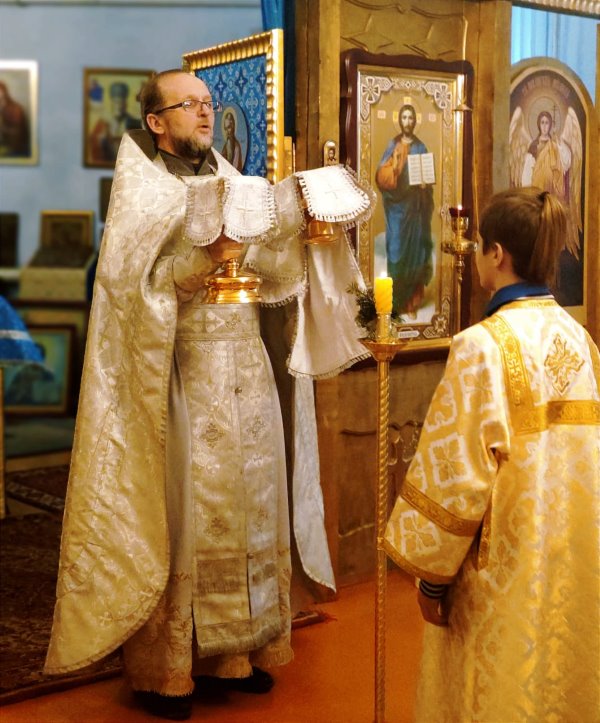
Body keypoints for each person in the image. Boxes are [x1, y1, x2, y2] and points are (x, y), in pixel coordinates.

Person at [44, 69, 370, 721]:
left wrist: (299, 227)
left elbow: (270, 271)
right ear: (156, 122)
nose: (203, 112)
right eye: (188, 104)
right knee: (190, 517)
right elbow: (134, 291)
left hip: (246, 370)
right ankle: (167, 672)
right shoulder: (142, 193)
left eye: (207, 102)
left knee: (251, 506)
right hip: (181, 377)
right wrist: (204, 259)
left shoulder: (236, 183)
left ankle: (236, 655)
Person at [383, 187, 599, 722]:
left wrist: (432, 581)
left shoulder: (481, 347)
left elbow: (455, 477)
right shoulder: (580, 341)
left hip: (501, 573)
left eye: (479, 244)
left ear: (496, 254)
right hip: (573, 560)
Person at [375, 103, 434, 317]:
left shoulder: (421, 147)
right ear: (400, 120)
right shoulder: (393, 145)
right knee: (397, 251)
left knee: (414, 254)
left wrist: (425, 186)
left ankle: (412, 302)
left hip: (416, 211)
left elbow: (427, 181)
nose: (408, 122)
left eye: (411, 118)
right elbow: (381, 177)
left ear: (415, 121)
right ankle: (396, 301)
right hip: (398, 210)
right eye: (404, 117)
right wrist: (393, 168)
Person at [88, 81, 142, 162]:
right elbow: (94, 148)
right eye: (116, 102)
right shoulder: (102, 124)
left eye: (121, 102)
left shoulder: (135, 124)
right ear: (111, 103)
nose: (118, 106)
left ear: (126, 104)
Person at [0, 80, 30, 157]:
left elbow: (18, 133)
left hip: (15, 147)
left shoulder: (15, 108)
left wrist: (2, 128)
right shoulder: (2, 106)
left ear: (3, 93)